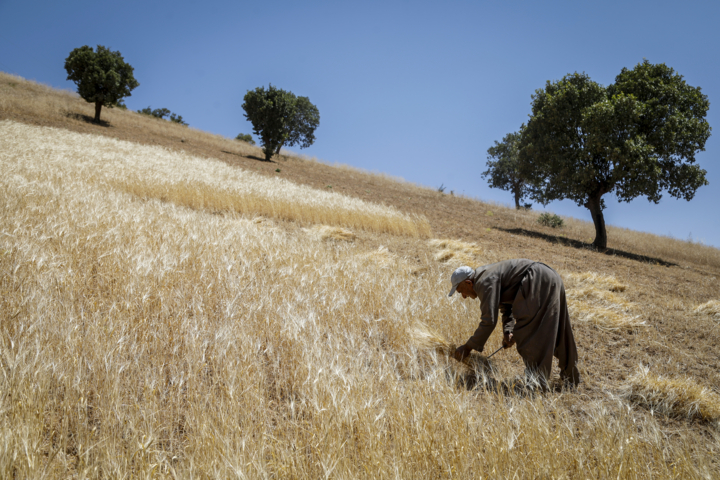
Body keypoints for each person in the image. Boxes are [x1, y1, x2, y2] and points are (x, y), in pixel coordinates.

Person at [449, 259, 580, 388]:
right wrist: (508, 330)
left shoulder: (483, 282)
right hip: (550, 276)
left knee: (528, 332)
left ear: (468, 283)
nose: (464, 296)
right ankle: (571, 377)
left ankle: (537, 383)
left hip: (536, 279)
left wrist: (467, 347)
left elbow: (488, 321)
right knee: (559, 330)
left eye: (461, 291)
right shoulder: (485, 275)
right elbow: (506, 305)